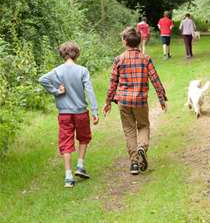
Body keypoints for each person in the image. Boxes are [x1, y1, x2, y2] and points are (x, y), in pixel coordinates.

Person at [103, 27, 167, 175]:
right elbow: (155, 79)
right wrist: (162, 98)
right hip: (140, 101)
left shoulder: (119, 59)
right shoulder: (145, 59)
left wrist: (107, 102)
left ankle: (134, 163)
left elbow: (113, 82)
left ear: (125, 42)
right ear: (139, 42)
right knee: (143, 125)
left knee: (129, 130)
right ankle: (142, 147)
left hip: (124, 101)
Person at [38, 41, 99, 188]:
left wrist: (56, 91)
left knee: (66, 142)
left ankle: (68, 176)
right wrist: (95, 111)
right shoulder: (83, 70)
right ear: (77, 54)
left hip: (64, 113)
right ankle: (80, 165)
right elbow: (89, 91)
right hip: (81, 112)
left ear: (62, 54)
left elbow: (42, 79)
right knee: (84, 138)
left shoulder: (57, 71)